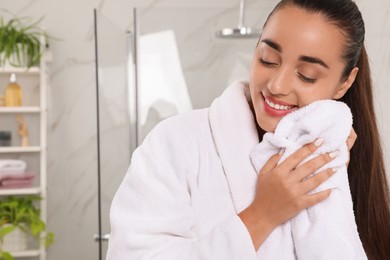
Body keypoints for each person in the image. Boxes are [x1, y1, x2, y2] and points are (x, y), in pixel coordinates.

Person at [106, 0, 390, 259]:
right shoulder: (177, 143)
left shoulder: (336, 158)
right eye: (267, 59)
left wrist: (333, 182)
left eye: (307, 75)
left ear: (344, 83)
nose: (277, 86)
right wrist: (262, 215)